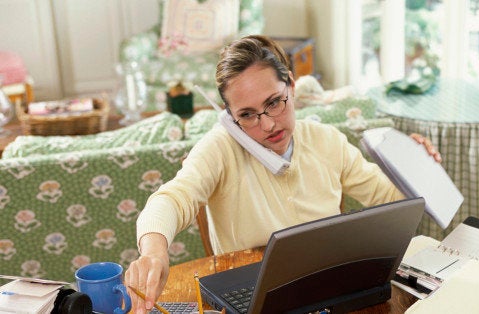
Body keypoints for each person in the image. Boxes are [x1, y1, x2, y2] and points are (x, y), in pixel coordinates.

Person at [124, 35, 441, 312]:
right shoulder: (220, 148)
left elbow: (395, 201)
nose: (267, 125)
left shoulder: (326, 140)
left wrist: (416, 168)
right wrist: (154, 251)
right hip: (255, 298)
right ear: (230, 118)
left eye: (274, 102)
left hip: (328, 288)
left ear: (291, 83)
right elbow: (173, 198)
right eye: (246, 115)